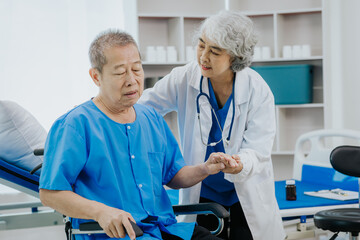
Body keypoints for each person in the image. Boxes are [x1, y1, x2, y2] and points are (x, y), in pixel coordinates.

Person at [39, 30, 239, 240]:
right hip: (117, 235)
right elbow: (50, 194)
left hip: (165, 229)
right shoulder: (75, 125)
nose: (132, 80)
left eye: (136, 69)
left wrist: (204, 168)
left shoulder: (150, 118)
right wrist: (101, 212)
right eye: (120, 73)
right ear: (96, 76)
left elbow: (173, 175)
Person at [138, 10, 286, 240]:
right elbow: (143, 109)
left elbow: (258, 150)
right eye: (201, 45)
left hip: (244, 194)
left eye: (215, 51)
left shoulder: (258, 91)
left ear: (235, 57)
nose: (203, 57)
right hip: (201, 191)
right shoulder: (185, 78)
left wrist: (238, 164)